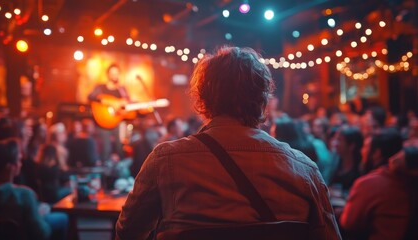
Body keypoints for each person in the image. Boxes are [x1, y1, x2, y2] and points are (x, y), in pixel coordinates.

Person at [115, 46, 341, 240]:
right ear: (263, 101)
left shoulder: (166, 160)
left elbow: (128, 232)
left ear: (203, 100)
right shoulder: (305, 170)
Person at [339, 128, 412, 240]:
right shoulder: (409, 178)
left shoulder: (370, 183)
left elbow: (348, 223)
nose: (361, 151)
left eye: (366, 147)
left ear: (377, 153)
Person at [0, 138, 68, 240]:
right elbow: (42, 234)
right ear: (10, 167)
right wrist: (38, 214)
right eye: (18, 160)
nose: (20, 164)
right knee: (63, 218)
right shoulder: (24, 195)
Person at [88, 63, 131, 163]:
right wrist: (107, 102)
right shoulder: (101, 87)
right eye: (112, 73)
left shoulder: (122, 90)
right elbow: (91, 96)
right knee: (105, 150)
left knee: (120, 148)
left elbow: (127, 104)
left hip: (117, 123)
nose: (114, 75)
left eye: (116, 73)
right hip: (102, 123)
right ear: (108, 74)